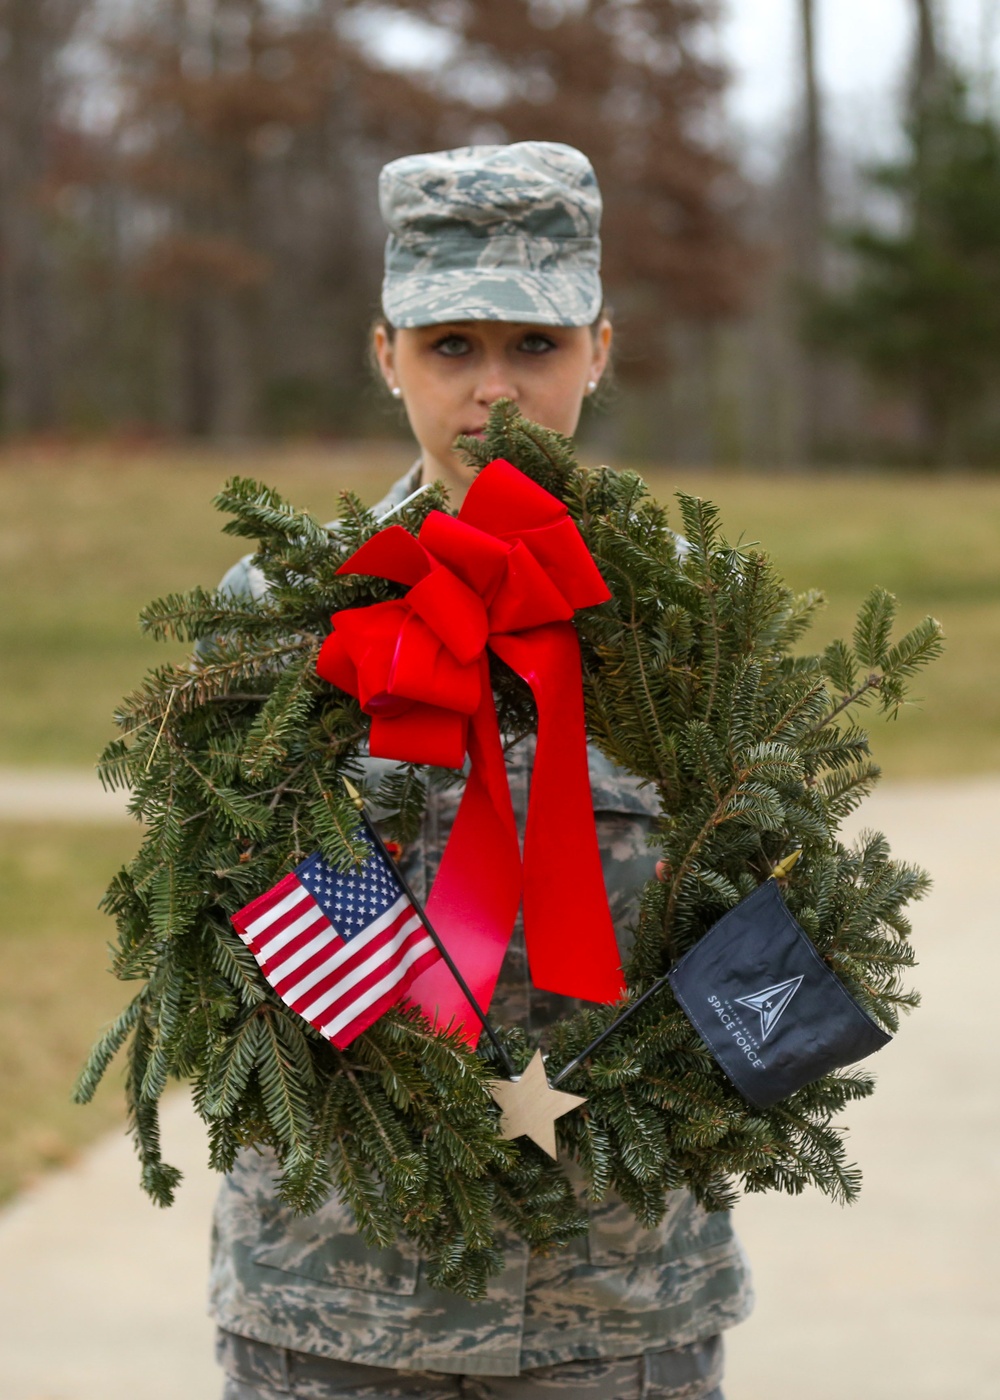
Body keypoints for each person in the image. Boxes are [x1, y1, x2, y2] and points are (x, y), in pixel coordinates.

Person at [209, 141, 752, 1400]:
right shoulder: (281, 615)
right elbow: (217, 914)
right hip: (334, 1300)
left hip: (617, 1300)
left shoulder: (692, 623)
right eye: (451, 346)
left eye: (536, 347)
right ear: (384, 351)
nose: (493, 392)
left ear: (600, 352)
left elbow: (755, 907)